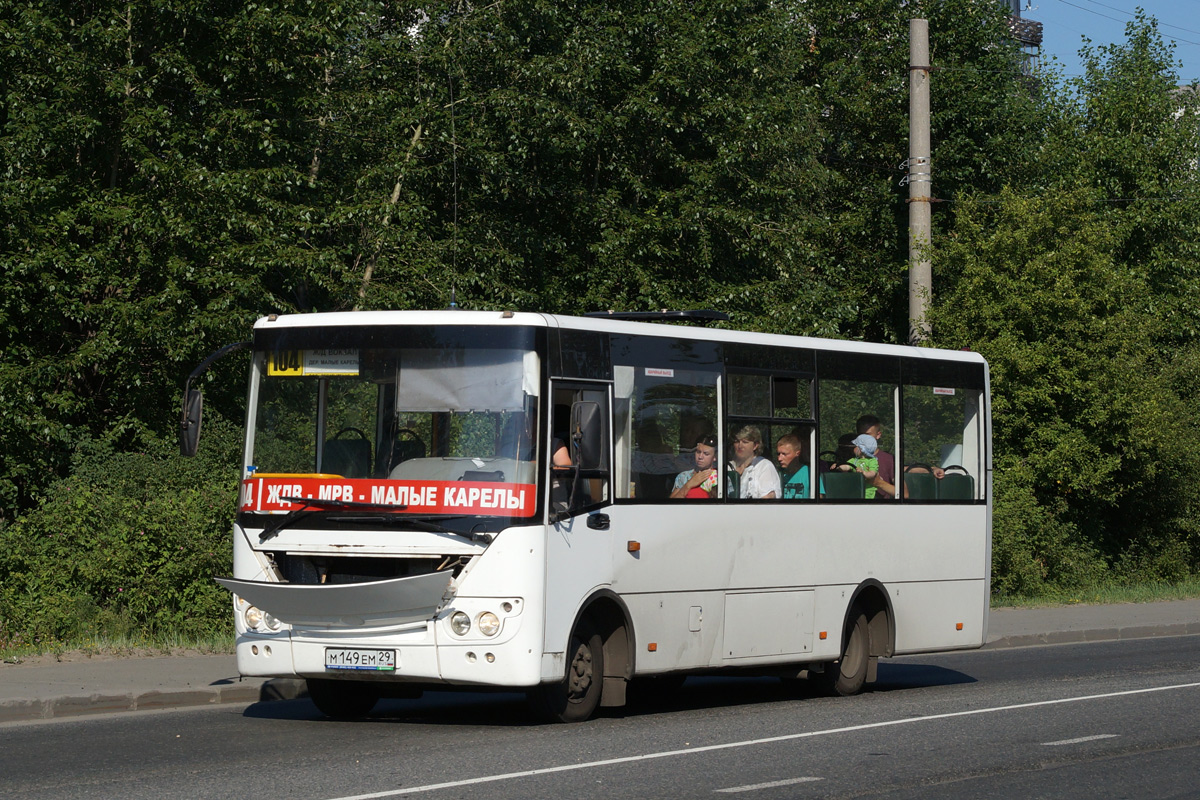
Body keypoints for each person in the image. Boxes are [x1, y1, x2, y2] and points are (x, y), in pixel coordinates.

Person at [728, 425, 780, 499]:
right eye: (737, 442)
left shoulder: (764, 466)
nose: (740, 446)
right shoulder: (728, 467)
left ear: (755, 445)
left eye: (745, 442)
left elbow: (768, 498)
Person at [856, 414, 896, 500]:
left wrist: (878, 483)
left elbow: (904, 494)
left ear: (878, 435)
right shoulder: (853, 459)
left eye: (868, 435)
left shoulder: (889, 460)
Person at [670, 435, 719, 499]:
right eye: (698, 452)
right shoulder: (684, 476)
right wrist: (688, 485)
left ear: (715, 457)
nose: (700, 457)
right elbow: (672, 504)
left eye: (706, 454)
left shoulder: (721, 478)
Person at [775, 434, 810, 500]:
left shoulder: (810, 474)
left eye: (784, 454)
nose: (779, 458)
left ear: (797, 453)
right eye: (778, 454)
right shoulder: (777, 474)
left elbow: (819, 501)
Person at [849, 433, 881, 499]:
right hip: (855, 489)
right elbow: (847, 466)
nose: (853, 448)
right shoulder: (854, 460)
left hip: (868, 491)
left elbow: (873, 473)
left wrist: (864, 473)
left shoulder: (872, 461)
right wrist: (839, 466)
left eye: (855, 446)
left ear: (861, 449)